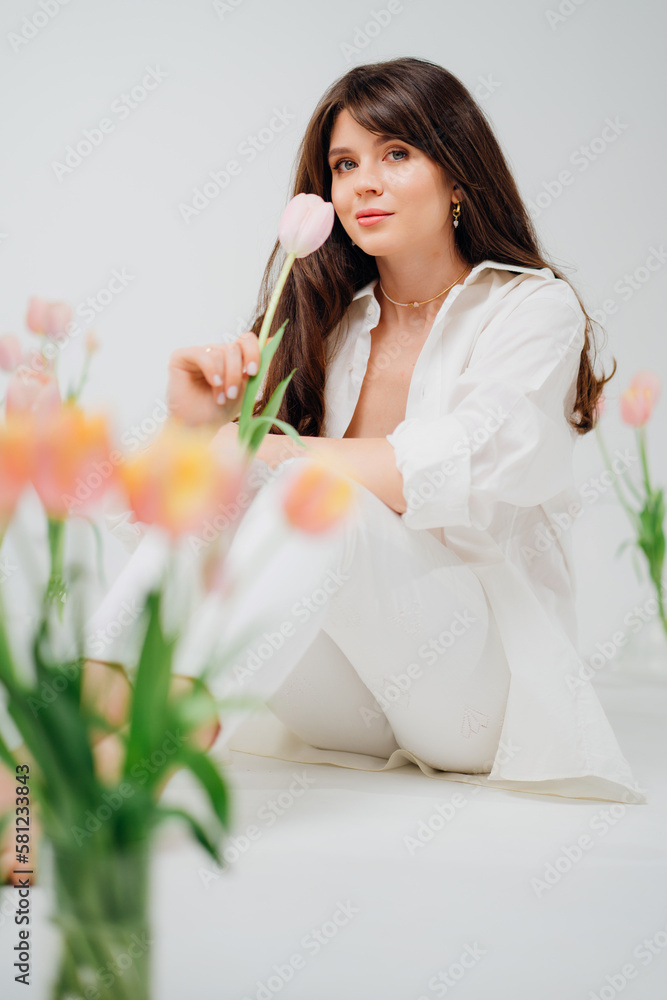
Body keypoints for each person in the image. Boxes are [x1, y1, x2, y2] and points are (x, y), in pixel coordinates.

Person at [0, 57, 646, 845]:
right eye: (344, 165)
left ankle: (138, 766)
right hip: (345, 707)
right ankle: (62, 737)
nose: (363, 183)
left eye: (396, 153)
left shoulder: (530, 308)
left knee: (319, 494)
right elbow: (197, 526)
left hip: (474, 697)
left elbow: (455, 466)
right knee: (252, 484)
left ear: (458, 177)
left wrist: (272, 455)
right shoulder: (330, 322)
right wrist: (196, 429)